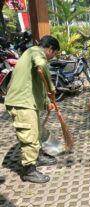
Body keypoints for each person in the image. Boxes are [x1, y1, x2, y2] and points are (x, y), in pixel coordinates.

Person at [4, 35, 60, 183]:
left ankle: (38, 156)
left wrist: (48, 101)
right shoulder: (36, 52)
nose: (52, 58)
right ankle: (29, 170)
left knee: (36, 131)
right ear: (49, 49)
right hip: (21, 102)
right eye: (53, 54)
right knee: (29, 135)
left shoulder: (31, 54)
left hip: (28, 102)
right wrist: (52, 89)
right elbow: (42, 66)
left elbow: (39, 82)